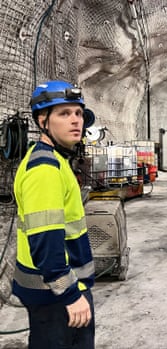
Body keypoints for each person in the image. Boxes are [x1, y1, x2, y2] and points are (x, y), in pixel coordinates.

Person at [13, 80, 96, 349]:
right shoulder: (45, 169)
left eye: (78, 113)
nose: (75, 121)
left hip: (54, 291)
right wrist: (70, 295)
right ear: (43, 121)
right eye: (63, 113)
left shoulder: (56, 160)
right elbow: (45, 240)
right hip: (55, 295)